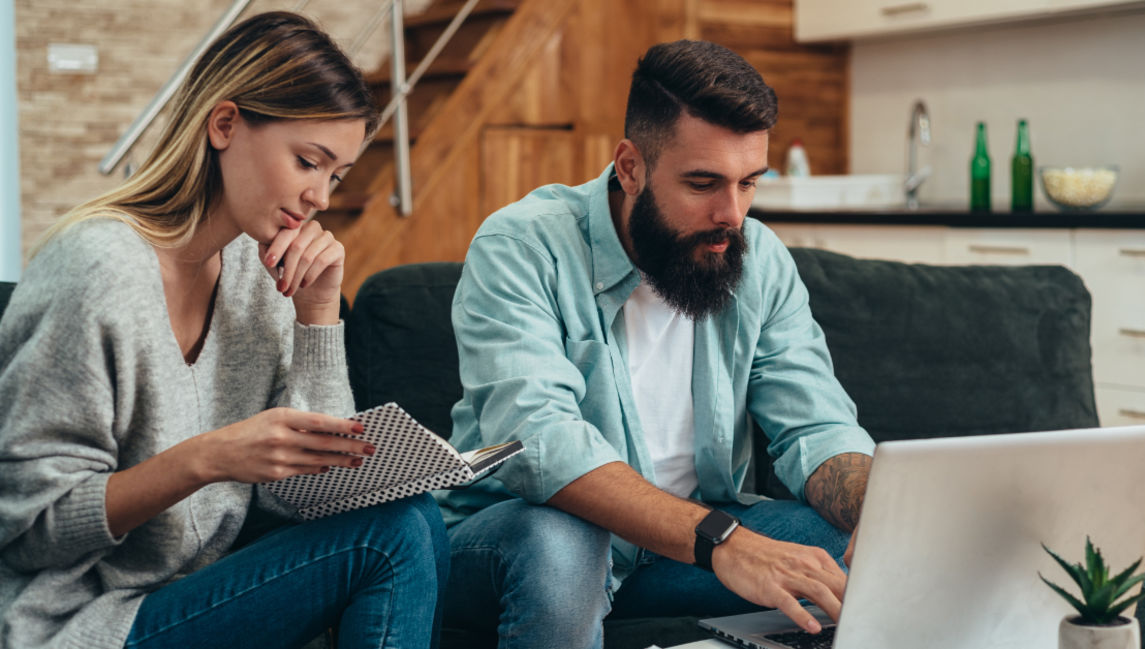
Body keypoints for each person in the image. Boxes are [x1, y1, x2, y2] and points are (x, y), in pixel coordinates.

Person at [0, 12, 447, 649]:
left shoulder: (257, 272)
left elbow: (307, 498)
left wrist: (318, 317)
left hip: (188, 596)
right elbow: (25, 529)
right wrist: (206, 460)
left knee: (412, 515)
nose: (320, 196)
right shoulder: (97, 271)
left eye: (336, 175)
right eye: (307, 161)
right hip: (75, 623)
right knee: (393, 537)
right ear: (225, 124)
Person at [437, 39, 875, 648]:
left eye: (749, 183)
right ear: (630, 166)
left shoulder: (760, 260)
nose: (732, 213)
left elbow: (815, 426)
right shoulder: (522, 245)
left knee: (841, 548)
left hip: (679, 552)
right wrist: (724, 542)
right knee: (562, 545)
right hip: (520, 539)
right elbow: (541, 444)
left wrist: (876, 511)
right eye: (703, 183)